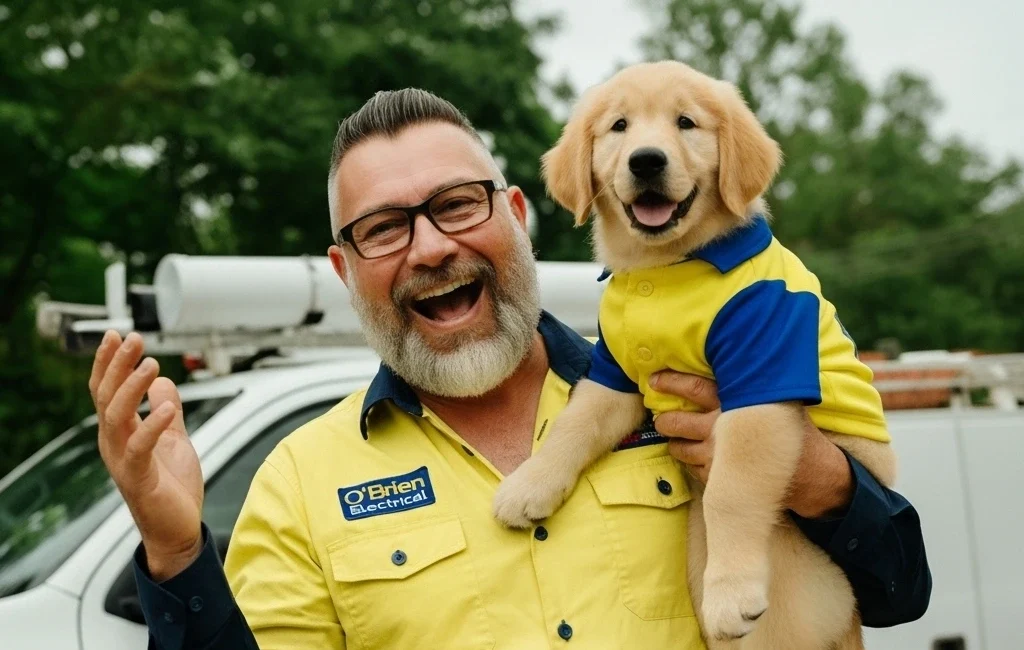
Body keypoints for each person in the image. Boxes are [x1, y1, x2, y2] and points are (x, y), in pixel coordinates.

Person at [90, 89, 931, 650]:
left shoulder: (682, 383)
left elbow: (899, 591)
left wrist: (810, 474)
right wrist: (175, 550)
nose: (430, 247)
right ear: (345, 272)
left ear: (518, 217)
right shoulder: (298, 483)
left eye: (458, 205)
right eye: (383, 228)